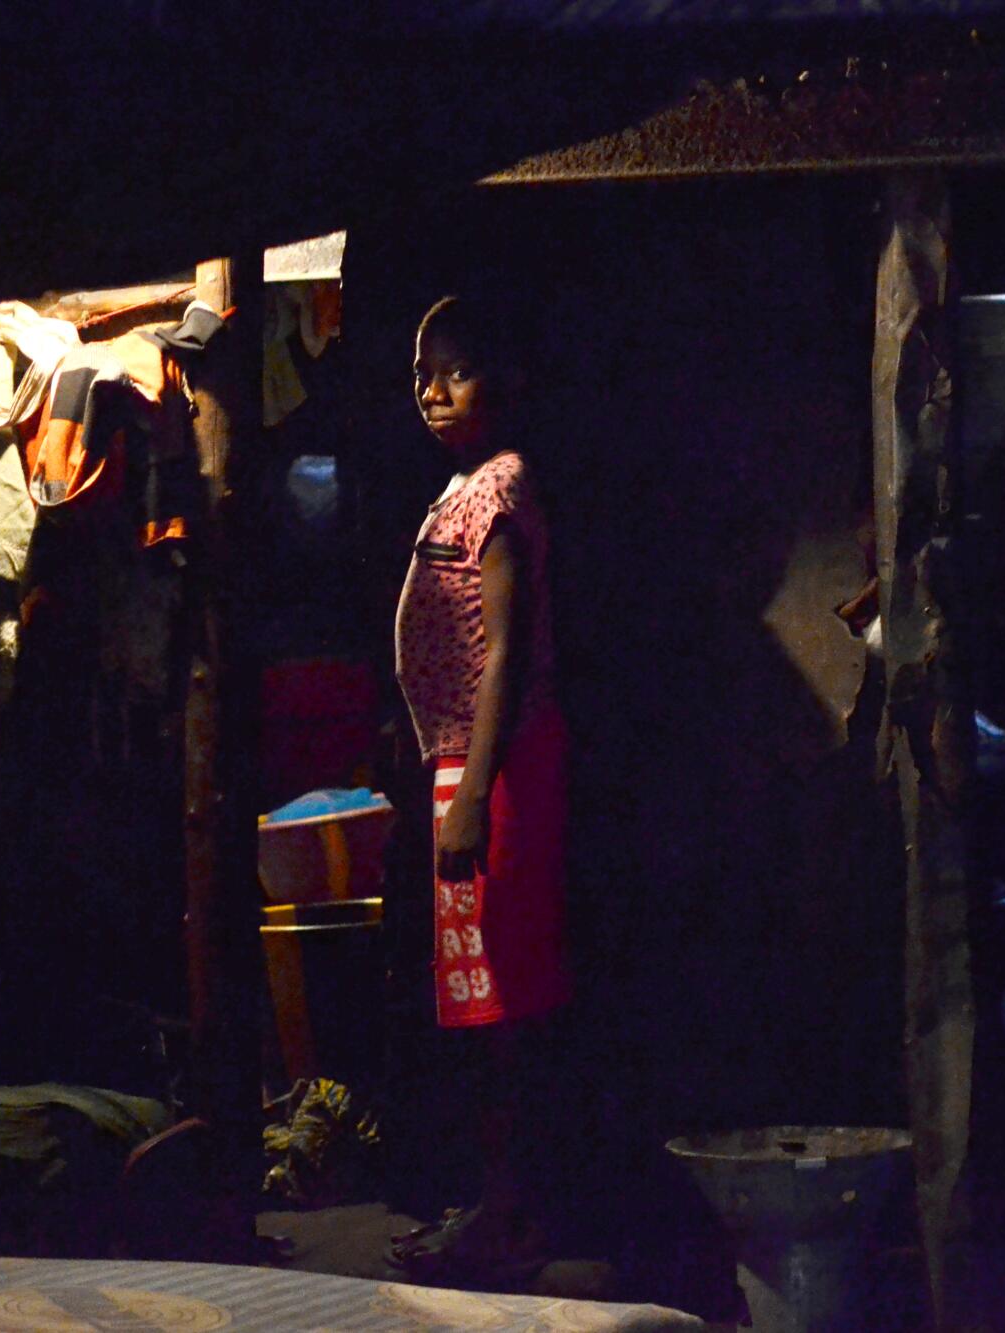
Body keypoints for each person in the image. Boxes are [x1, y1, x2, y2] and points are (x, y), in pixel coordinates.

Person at [389, 295, 570, 1286]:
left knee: (501, 998)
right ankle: (494, 1208)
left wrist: (470, 797)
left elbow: (505, 654)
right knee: (477, 999)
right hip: (465, 763)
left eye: (453, 370)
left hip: (496, 769)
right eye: (422, 372)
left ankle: (510, 1215)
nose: (431, 390)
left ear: (507, 381)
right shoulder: (460, 486)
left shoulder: (501, 485)